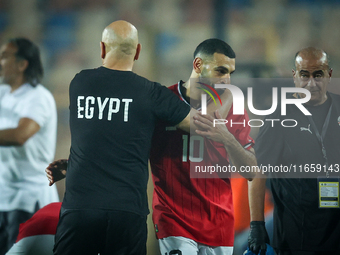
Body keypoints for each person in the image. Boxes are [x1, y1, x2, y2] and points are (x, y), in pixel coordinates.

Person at [51, 21, 231, 255]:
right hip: (127, 213)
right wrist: (228, 98)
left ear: (102, 49)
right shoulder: (151, 93)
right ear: (137, 52)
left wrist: (73, 164)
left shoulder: (79, 83)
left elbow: (101, 132)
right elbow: (204, 127)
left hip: (80, 208)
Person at [149, 39, 257, 255]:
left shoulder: (235, 108)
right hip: (174, 220)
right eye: (220, 70)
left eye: (230, 73)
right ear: (198, 65)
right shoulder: (163, 101)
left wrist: (227, 137)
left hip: (219, 222)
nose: (226, 79)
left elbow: (251, 170)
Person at [247, 47, 340, 255]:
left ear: (329, 74)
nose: (311, 83)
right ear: (295, 76)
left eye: (318, 74)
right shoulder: (279, 117)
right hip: (295, 237)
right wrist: (257, 226)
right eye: (304, 75)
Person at [0, 37, 58, 255]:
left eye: (4, 56)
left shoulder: (38, 97)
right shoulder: (3, 94)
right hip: (4, 197)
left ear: (22, 64)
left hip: (30, 200)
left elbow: (20, 135)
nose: (0, 61)